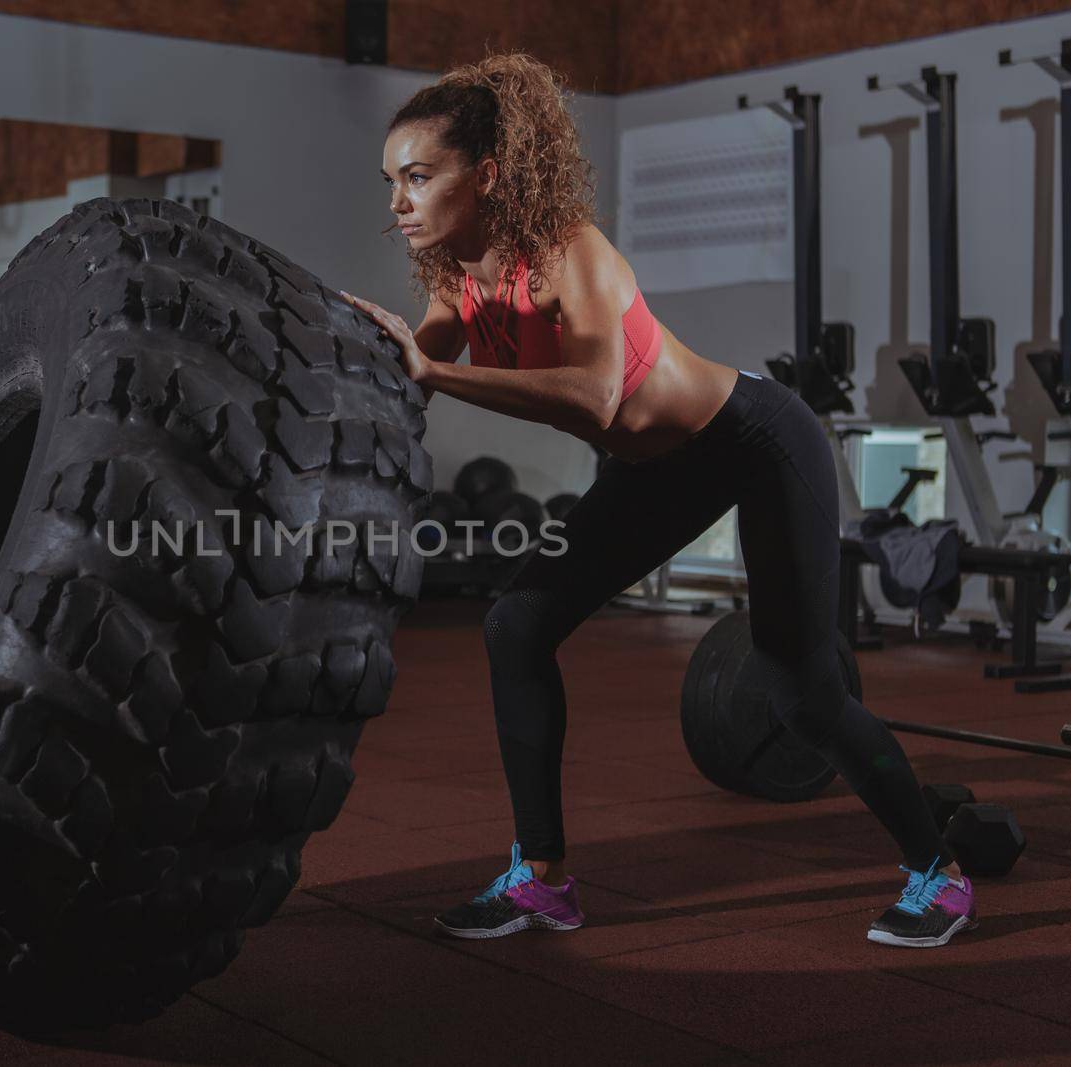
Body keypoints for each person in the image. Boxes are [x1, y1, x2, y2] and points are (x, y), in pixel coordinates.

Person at [338, 52, 974, 949]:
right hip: (651, 472)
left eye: (418, 178)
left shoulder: (572, 252)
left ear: (484, 177)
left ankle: (938, 874)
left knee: (802, 693)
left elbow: (597, 394)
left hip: (754, 441)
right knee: (514, 626)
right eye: (391, 182)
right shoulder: (456, 280)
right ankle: (544, 879)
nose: (398, 202)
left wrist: (432, 366)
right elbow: (404, 380)